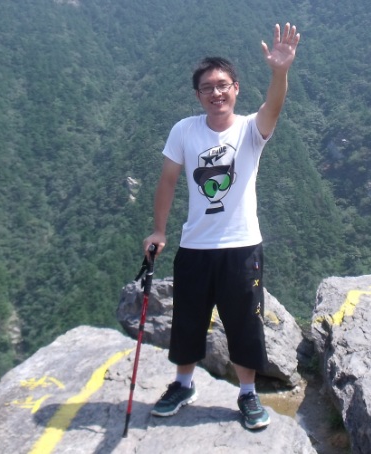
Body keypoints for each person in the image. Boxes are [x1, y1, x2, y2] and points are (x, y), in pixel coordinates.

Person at [142, 22, 301, 430]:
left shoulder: (250, 129)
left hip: (242, 246)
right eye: (207, 88)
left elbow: (274, 107)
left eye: (223, 85)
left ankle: (247, 394)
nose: (216, 93)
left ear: (236, 89)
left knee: (244, 321)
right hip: (195, 245)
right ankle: (183, 384)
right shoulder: (184, 130)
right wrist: (159, 231)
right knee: (188, 319)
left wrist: (280, 72)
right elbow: (167, 181)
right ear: (198, 95)